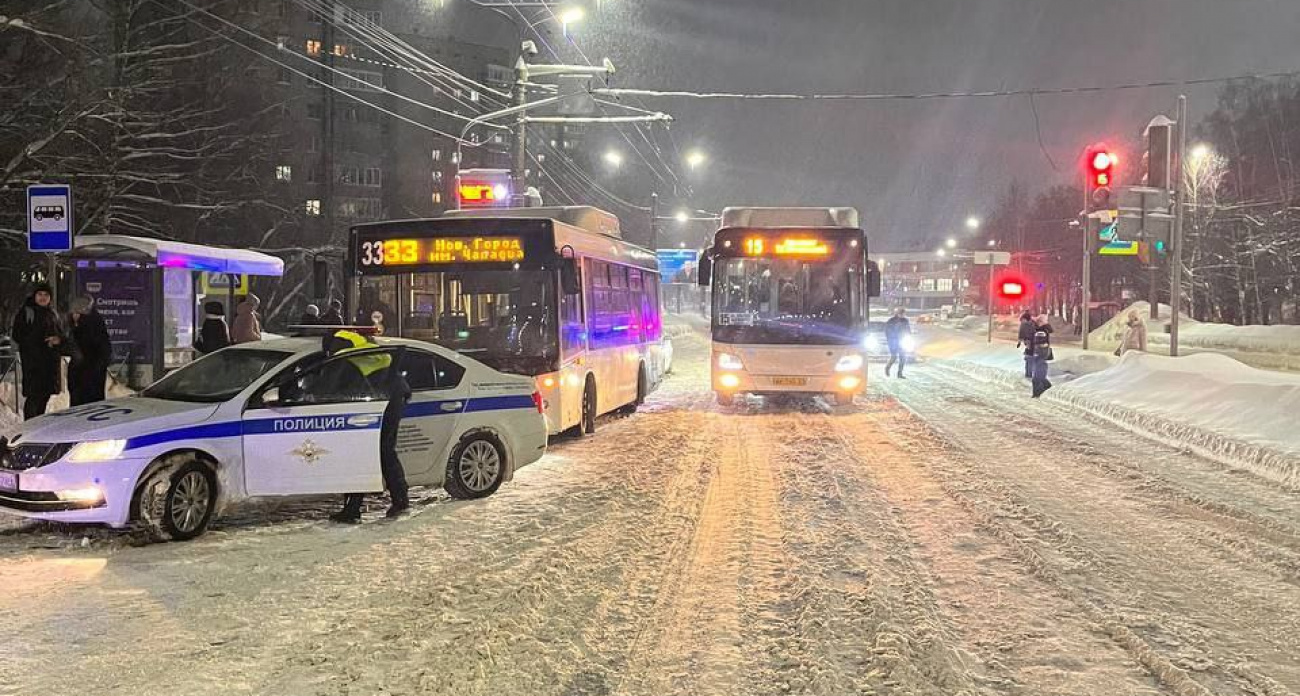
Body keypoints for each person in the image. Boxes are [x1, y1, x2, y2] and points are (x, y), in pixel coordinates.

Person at [326, 330, 411, 523]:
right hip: (390, 396)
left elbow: (332, 384)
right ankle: (394, 500)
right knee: (379, 451)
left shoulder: (344, 356)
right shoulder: (363, 347)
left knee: (375, 451)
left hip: (378, 400)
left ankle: (396, 501)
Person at [11, 283, 65, 419]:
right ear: (34, 296)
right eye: (40, 294)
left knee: (44, 396)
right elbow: (18, 334)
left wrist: (58, 340)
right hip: (33, 363)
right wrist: (39, 340)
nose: (43, 298)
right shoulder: (27, 312)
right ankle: (29, 429)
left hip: (50, 363)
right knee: (33, 397)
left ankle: (37, 428)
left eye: (46, 295)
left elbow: (62, 334)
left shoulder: (53, 313)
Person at [67, 296, 112, 406]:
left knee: (86, 401)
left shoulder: (90, 323)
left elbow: (96, 346)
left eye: (79, 312)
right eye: (74, 312)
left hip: (89, 371)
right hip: (84, 371)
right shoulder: (74, 326)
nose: (75, 315)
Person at [1030, 315, 1054, 398]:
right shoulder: (1042, 330)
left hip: (1040, 354)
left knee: (1037, 375)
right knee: (1039, 374)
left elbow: (1039, 343)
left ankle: (1038, 392)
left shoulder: (1041, 331)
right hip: (1041, 354)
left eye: (1038, 322)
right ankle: (1047, 389)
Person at [884, 307, 911, 379]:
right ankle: (887, 368)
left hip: (902, 341)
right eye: (901, 313)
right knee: (894, 357)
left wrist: (908, 337)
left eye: (903, 313)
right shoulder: (891, 321)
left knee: (903, 358)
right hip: (894, 341)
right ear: (897, 313)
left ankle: (900, 373)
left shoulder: (905, 321)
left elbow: (908, 330)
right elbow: (887, 331)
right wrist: (891, 339)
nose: (902, 315)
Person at [1016, 311, 1036, 378]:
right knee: (1032, 357)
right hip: (1035, 342)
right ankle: (1033, 372)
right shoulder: (1033, 323)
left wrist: (1019, 342)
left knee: (1029, 357)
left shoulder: (1023, 324)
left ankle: (1028, 374)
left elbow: (1021, 333)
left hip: (1029, 342)